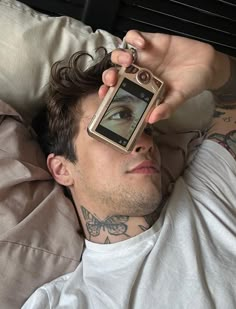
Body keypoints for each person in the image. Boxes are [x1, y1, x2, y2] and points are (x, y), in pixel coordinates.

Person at [22, 30, 236, 308]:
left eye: (145, 129)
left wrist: (216, 70)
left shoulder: (206, 197)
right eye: (116, 124)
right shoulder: (58, 302)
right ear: (62, 169)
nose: (144, 142)